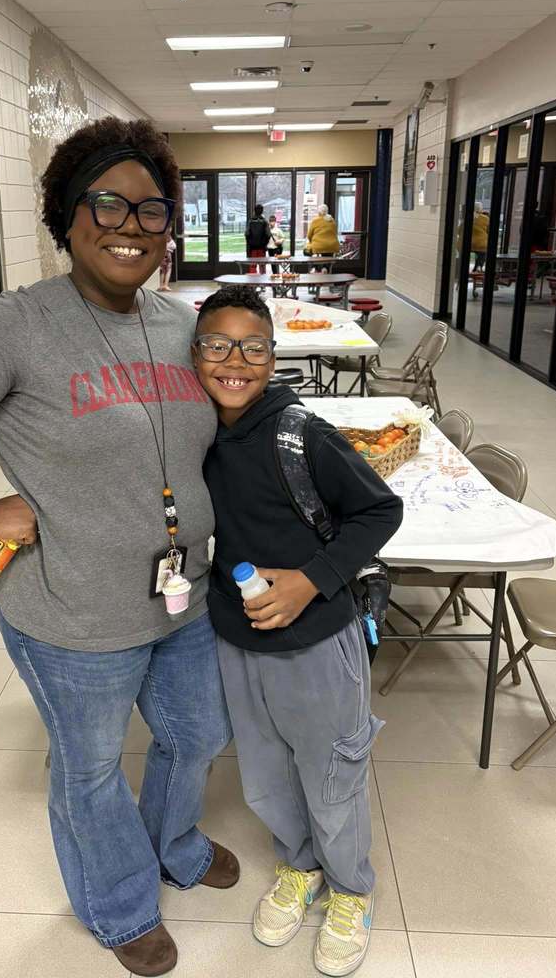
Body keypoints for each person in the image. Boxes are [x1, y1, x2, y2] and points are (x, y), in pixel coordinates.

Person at [0, 117, 239, 978]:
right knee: (91, 767)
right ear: (67, 215)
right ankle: (120, 904)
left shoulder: (179, 323)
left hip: (184, 596)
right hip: (72, 610)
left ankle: (174, 842)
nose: (130, 227)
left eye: (152, 210)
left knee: (197, 732)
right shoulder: (12, 327)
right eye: (108, 204)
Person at [191, 286, 403, 977]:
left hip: (316, 641)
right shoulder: (198, 433)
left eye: (252, 347)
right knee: (266, 774)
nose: (235, 361)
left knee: (331, 770)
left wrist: (312, 579)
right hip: (237, 635)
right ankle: (301, 865)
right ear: (194, 356)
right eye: (217, 345)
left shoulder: (299, 433)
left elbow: (379, 511)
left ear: (272, 356)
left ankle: (349, 889)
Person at [244, 204, 271, 274]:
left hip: (252, 248)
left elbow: (247, 233)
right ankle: (262, 282)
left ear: (254, 211)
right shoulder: (264, 221)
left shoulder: (250, 221)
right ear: (262, 211)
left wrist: (249, 242)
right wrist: (265, 243)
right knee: (262, 265)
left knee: (252, 265)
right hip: (262, 248)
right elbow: (268, 234)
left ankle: (253, 282)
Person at [471, 201, 489, 272]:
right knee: (483, 252)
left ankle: (476, 267)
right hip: (481, 243)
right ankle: (479, 267)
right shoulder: (485, 218)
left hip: (470, 242)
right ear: (480, 209)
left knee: (479, 252)